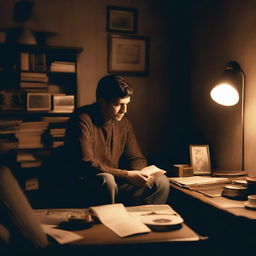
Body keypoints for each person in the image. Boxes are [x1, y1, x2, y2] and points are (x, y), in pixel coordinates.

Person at [61, 74, 170, 206]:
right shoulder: (82, 119)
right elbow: (86, 164)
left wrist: (139, 174)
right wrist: (127, 175)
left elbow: (136, 158)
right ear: (102, 102)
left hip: (117, 182)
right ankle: (108, 221)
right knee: (107, 180)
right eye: (119, 104)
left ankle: (142, 221)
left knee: (162, 182)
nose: (125, 110)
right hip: (87, 184)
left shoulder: (124, 124)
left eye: (127, 104)